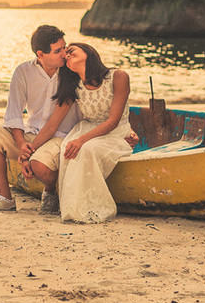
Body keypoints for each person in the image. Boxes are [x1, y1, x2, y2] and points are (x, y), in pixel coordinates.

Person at [0, 25, 80, 212]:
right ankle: (5, 198)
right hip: (32, 135)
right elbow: (14, 114)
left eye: (64, 47)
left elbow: (53, 125)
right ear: (41, 54)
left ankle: (50, 191)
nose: (64, 54)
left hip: (60, 137)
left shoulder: (71, 73)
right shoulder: (23, 72)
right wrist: (22, 144)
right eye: (57, 51)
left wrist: (27, 155)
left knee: (39, 166)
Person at [24, 42, 132, 223]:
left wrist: (81, 141)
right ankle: (71, 207)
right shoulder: (73, 87)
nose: (67, 56)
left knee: (87, 149)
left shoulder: (118, 76)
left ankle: (92, 207)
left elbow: (113, 121)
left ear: (88, 51)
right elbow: (52, 125)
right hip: (85, 129)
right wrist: (30, 151)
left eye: (71, 51)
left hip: (115, 131)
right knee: (70, 149)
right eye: (66, 58)